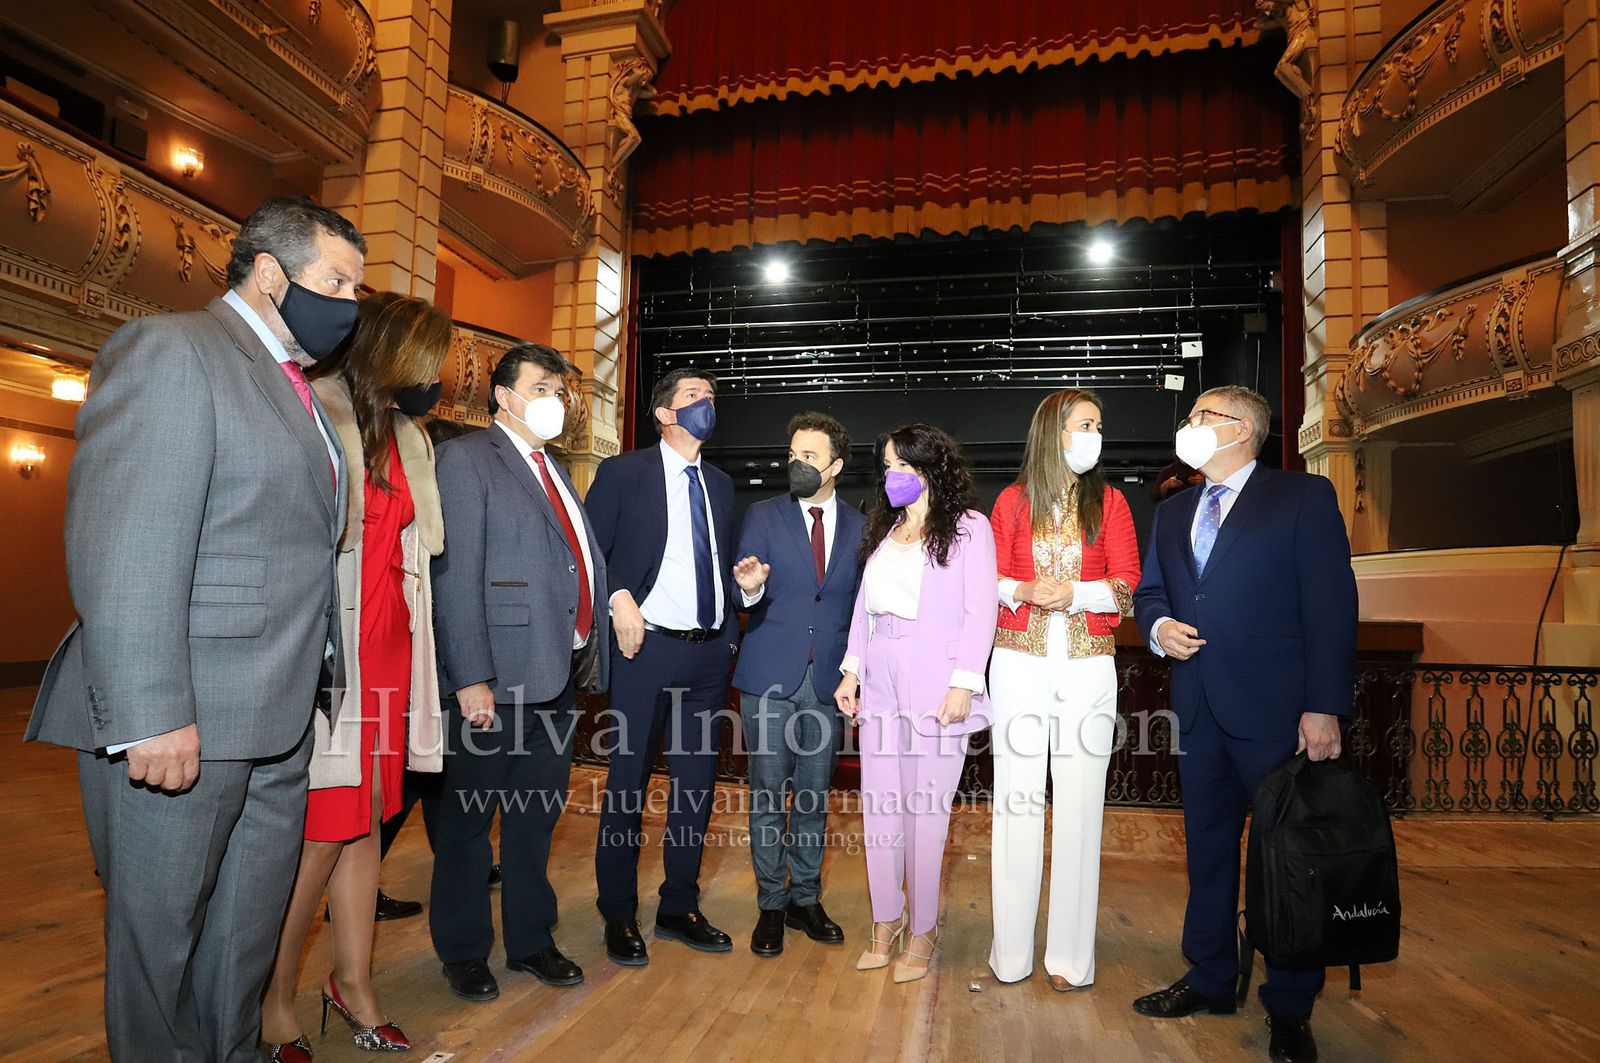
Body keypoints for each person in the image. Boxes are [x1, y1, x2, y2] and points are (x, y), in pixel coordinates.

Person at [25, 195, 361, 1062]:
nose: (351, 304)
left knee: (242, 941)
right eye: (337, 282)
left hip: (276, 715)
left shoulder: (298, 390)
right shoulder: (174, 350)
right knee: (162, 950)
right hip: (185, 717)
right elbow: (127, 545)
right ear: (271, 272)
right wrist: (151, 713)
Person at [1131, 385, 1357, 1063]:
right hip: (1199, 707)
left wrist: (1324, 705)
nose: (1189, 425)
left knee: (1290, 862)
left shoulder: (1302, 497)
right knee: (1207, 852)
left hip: (1280, 713)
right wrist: (1158, 628)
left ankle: (1290, 1003)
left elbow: (1330, 605)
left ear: (1242, 429)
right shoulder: (1173, 511)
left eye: (1201, 415)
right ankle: (1209, 976)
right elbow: (1150, 593)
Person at [259, 292, 450, 1060]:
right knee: (321, 835)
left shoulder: (408, 437)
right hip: (331, 658)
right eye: (426, 362)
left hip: (392, 654)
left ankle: (352, 983)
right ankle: (272, 999)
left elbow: (414, 561)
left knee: (366, 823)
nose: (435, 379)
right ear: (391, 354)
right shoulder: (312, 412)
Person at [429, 344, 611, 1001]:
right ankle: (463, 950)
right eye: (541, 388)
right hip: (493, 680)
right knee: (468, 826)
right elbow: (455, 575)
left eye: (560, 392)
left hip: (553, 676)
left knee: (534, 822)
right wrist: (469, 676)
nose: (554, 401)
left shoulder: (554, 467)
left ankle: (532, 940)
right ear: (503, 396)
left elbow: (574, 561)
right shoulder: (466, 458)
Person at [987, 389, 1141, 991]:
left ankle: (1071, 959)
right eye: (1085, 424)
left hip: (1087, 666)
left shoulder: (1111, 502)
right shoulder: (1012, 501)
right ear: (1054, 431)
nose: (1095, 434)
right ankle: (1010, 954)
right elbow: (988, 578)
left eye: (1099, 425)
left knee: (1081, 807)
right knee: (1016, 803)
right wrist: (1023, 590)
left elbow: (1128, 583)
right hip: (1018, 662)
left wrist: (1076, 594)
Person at [834, 423, 997, 984]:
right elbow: (865, 608)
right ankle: (887, 919)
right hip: (880, 671)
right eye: (887, 466)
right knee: (880, 807)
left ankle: (924, 927)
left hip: (937, 678)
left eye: (904, 464)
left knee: (925, 811)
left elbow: (981, 610)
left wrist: (964, 682)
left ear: (932, 467)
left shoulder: (970, 528)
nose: (893, 475)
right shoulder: (887, 530)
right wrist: (851, 671)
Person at [586, 367, 737, 965]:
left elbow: (717, 566)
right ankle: (618, 911)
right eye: (694, 396)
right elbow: (591, 553)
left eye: (711, 396)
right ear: (665, 414)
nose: (707, 403)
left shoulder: (720, 485)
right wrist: (619, 595)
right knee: (627, 783)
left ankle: (679, 905)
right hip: (643, 650)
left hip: (708, 655)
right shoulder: (624, 473)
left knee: (695, 787)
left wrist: (745, 591)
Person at [730, 411, 865, 956]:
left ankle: (805, 899)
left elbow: (862, 609)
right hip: (769, 676)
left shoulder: (861, 526)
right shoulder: (762, 515)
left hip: (829, 681)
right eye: (792, 454)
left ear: (835, 466)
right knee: (767, 795)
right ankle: (771, 902)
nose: (797, 464)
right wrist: (750, 588)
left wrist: (856, 671)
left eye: (809, 456)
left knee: (812, 797)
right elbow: (743, 591)